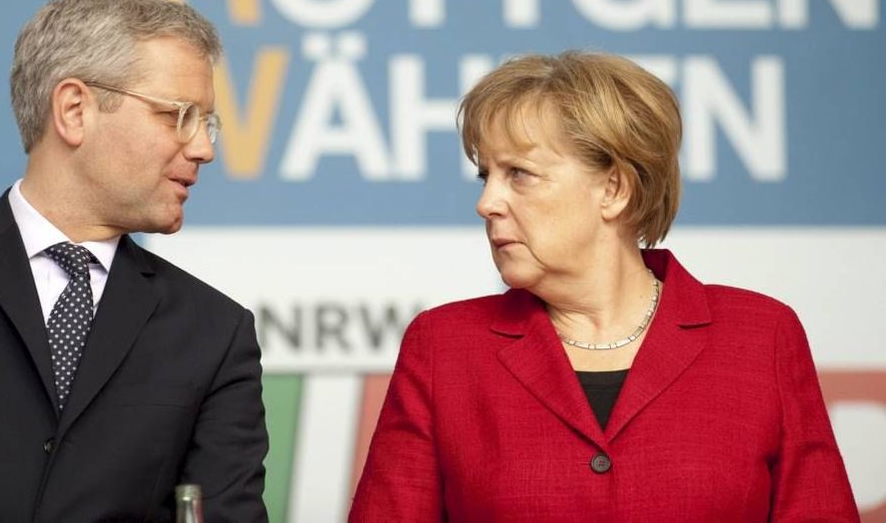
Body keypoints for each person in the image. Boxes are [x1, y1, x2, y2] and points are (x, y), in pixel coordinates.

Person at [349, 52, 858, 521]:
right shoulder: (444, 347)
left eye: (519, 174)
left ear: (613, 189)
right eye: (486, 176)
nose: (487, 202)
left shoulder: (760, 337)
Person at [0, 0, 268, 522]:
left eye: (208, 122)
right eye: (179, 116)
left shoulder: (215, 333)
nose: (204, 148)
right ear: (75, 109)